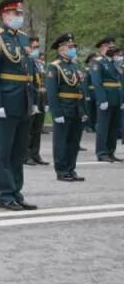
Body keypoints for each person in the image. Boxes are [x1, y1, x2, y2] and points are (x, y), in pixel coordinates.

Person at [0, 0, 38, 211]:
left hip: (23, 100)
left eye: (20, 12)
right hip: (5, 99)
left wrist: (33, 98)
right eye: (16, 12)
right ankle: (5, 194)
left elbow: (29, 70)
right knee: (3, 151)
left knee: (18, 151)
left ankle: (16, 191)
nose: (19, 16)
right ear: (4, 14)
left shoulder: (23, 38)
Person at [45, 33, 87, 182]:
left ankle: (71, 168)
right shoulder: (54, 66)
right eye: (70, 47)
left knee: (74, 142)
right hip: (63, 107)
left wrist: (83, 110)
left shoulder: (74, 66)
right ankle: (62, 171)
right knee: (61, 141)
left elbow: (80, 90)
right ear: (61, 49)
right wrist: (56, 112)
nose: (72, 49)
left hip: (76, 108)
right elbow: (51, 91)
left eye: (73, 47)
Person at [90, 38, 122, 162]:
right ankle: (102, 152)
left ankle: (110, 151)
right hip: (106, 98)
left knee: (114, 127)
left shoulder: (114, 62)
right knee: (103, 127)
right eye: (109, 46)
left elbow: (119, 81)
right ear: (102, 48)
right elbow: (97, 82)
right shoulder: (97, 62)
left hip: (116, 98)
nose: (112, 48)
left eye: (112, 46)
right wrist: (102, 99)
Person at [24, 36, 50, 166]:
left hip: (41, 98)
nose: (36, 50)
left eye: (38, 47)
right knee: (28, 129)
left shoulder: (39, 63)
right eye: (34, 47)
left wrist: (46, 102)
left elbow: (44, 82)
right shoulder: (26, 62)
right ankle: (26, 155)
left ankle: (35, 153)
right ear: (28, 48)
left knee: (37, 129)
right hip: (31, 99)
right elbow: (29, 83)